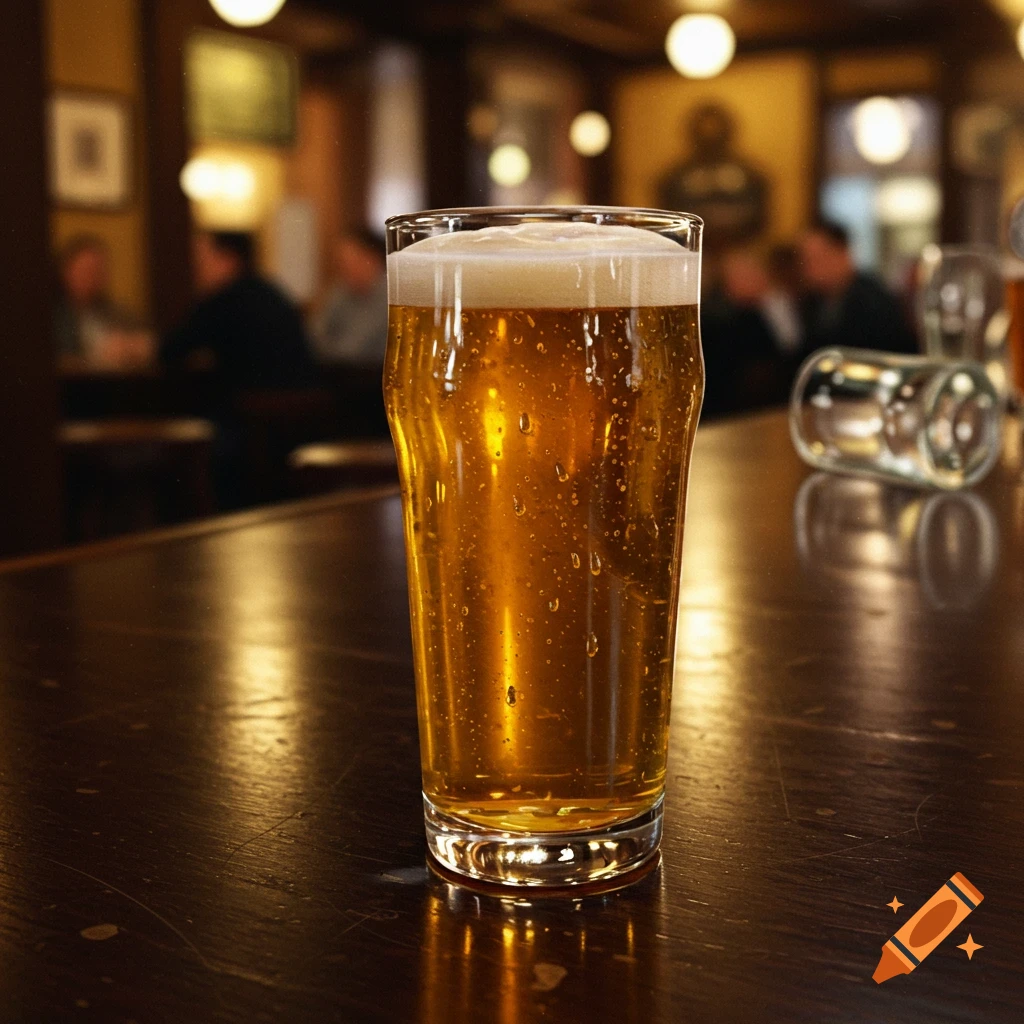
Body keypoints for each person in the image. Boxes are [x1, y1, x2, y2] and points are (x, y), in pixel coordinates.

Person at [161, 230, 317, 405]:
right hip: (302, 405)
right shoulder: (270, 291)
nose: (196, 268)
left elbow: (171, 349)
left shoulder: (223, 299)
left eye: (203, 260)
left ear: (228, 259)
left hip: (253, 409)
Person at [799, 220, 917, 355]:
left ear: (843, 253)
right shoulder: (812, 302)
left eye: (817, 258)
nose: (809, 268)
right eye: (805, 260)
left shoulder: (874, 303)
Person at [54, 235, 151, 368]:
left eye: (99, 270)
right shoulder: (54, 315)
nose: (92, 277)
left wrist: (131, 346)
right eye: (86, 270)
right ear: (66, 271)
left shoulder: (116, 311)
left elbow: (146, 341)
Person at [312, 229, 389, 366]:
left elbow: (355, 348)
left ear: (372, 259)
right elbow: (315, 336)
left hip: (372, 377)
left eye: (352, 261)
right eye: (342, 264)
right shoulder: (340, 292)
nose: (346, 269)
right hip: (338, 373)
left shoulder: (389, 296)